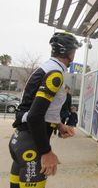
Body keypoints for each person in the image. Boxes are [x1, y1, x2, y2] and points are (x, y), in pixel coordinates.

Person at [9, 32, 80, 188]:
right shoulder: (54, 74)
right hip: (31, 144)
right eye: (74, 51)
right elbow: (35, 116)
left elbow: (44, 109)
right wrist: (46, 152)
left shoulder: (46, 68)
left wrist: (59, 125)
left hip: (20, 140)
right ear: (69, 53)